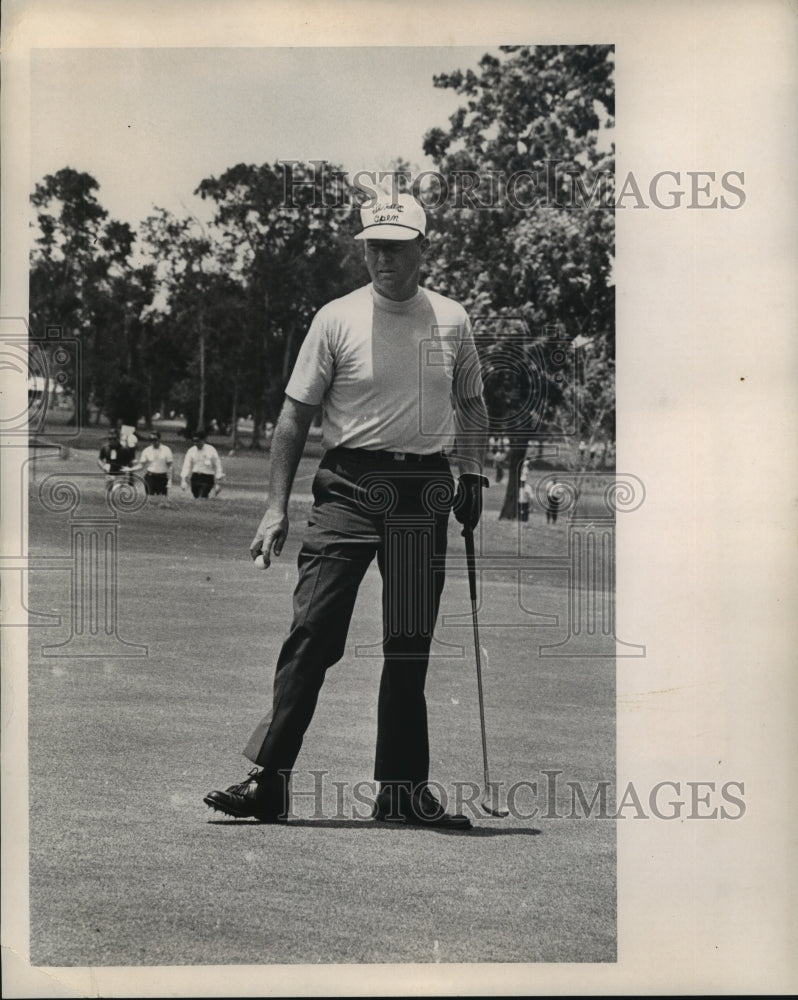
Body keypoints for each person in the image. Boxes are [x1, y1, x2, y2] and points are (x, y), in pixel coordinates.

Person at [204, 191, 489, 830]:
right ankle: (269, 780)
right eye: (372, 245)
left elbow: (472, 402)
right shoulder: (334, 318)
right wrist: (273, 507)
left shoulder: (451, 319)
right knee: (315, 632)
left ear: (423, 247)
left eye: (395, 245)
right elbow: (295, 415)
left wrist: (471, 471)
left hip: (424, 492)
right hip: (348, 488)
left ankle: (401, 791)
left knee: (408, 644)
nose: (382, 257)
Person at [180, 429, 224, 498]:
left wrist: (218, 483)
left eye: (197, 441)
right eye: (194, 441)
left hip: (207, 477)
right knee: (196, 496)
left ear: (203, 440)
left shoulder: (211, 450)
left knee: (202, 496)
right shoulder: (191, 451)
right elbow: (186, 466)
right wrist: (183, 480)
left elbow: (217, 466)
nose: (195, 443)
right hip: (195, 477)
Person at [138, 431, 174, 500]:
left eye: (155, 439)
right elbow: (141, 465)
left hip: (162, 477)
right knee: (150, 499)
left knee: (162, 499)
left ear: (159, 439)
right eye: (151, 440)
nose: (153, 441)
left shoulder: (166, 450)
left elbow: (170, 466)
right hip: (150, 477)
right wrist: (130, 469)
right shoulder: (146, 450)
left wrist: (170, 480)